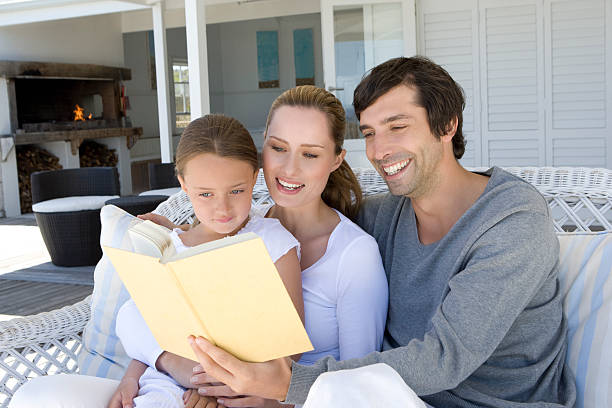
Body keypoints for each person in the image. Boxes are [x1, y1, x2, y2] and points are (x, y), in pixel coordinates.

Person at [187, 56, 577, 408]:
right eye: (370, 133)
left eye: (397, 127)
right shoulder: (387, 216)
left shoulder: (511, 220)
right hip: (392, 397)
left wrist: (287, 386)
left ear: (447, 126)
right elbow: (312, 209)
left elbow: (445, 357)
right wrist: (185, 229)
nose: (379, 150)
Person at [140, 85, 389, 408]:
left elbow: (360, 382)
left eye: (310, 154)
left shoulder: (355, 256)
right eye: (278, 148)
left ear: (336, 159)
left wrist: (273, 402)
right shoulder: (240, 224)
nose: (289, 170)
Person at [113, 113, 305, 408]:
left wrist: (224, 387)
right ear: (184, 186)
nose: (223, 208)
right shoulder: (171, 246)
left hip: (240, 386)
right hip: (163, 378)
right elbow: (154, 328)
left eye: (237, 191)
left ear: (255, 178)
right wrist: (130, 378)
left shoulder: (273, 242)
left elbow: (291, 348)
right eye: (205, 194)